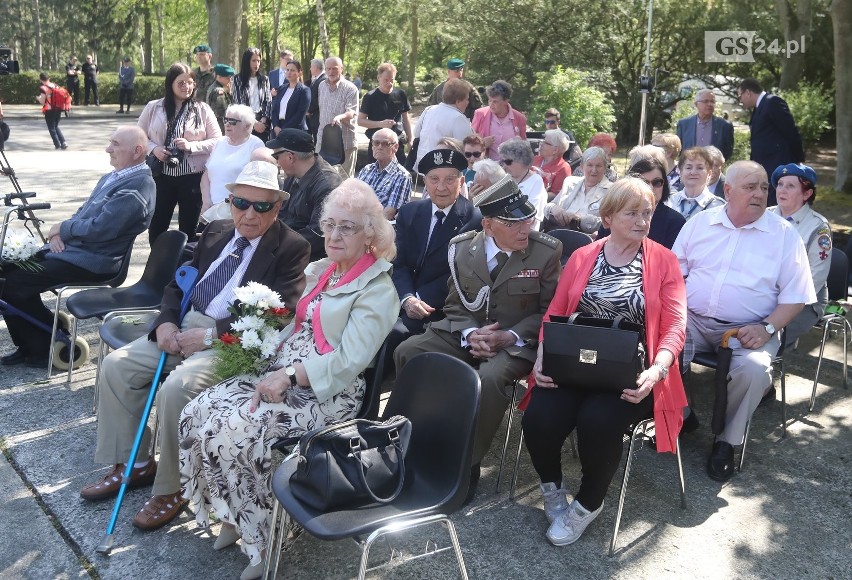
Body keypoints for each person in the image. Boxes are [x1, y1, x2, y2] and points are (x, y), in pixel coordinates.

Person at [179, 179, 398, 580]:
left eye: (347, 227)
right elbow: (297, 327)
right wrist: (259, 345)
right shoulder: (324, 270)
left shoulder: (378, 290)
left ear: (371, 233)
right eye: (329, 224)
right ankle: (233, 511)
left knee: (239, 430)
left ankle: (264, 540)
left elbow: (350, 361)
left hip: (327, 391)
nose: (333, 235)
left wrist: (291, 376)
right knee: (199, 410)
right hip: (282, 369)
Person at [79, 161, 311, 532]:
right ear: (230, 201)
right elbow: (178, 283)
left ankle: (173, 488)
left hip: (229, 339)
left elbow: (278, 313)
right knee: (116, 366)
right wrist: (167, 321)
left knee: (177, 388)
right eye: (241, 202)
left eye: (261, 206)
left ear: (278, 207)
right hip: (183, 323)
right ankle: (135, 464)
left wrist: (207, 336)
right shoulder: (217, 229)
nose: (249, 214)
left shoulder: (293, 247)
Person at [520, 177, 687, 546]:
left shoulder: (664, 260)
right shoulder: (583, 256)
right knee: (539, 418)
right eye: (632, 213)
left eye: (647, 213)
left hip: (630, 372)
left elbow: (676, 325)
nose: (643, 221)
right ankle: (551, 489)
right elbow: (556, 312)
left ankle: (587, 504)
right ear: (608, 217)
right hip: (575, 364)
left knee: (597, 421)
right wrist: (543, 355)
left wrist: (657, 369)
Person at [394, 175, 562, 498]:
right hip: (467, 333)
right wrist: (471, 333)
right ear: (487, 224)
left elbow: (550, 311)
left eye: (526, 219)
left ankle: (466, 462)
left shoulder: (545, 252)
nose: (524, 229)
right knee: (408, 351)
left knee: (491, 376)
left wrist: (509, 336)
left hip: (515, 342)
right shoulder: (462, 249)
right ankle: (413, 437)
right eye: (513, 223)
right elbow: (455, 305)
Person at [672, 160, 815, 482]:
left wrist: (766, 328)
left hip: (748, 329)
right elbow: (674, 274)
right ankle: (682, 415)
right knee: (657, 345)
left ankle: (726, 442)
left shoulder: (783, 235)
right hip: (692, 318)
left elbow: (796, 296)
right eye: (751, 187)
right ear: (728, 190)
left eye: (764, 187)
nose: (760, 193)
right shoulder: (700, 224)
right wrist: (674, 314)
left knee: (753, 370)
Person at [0, 126, 155, 367]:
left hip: (96, 261)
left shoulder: (138, 186)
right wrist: (58, 233)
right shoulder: (115, 176)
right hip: (77, 252)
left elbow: (102, 229)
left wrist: (63, 229)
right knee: (6, 271)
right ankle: (34, 342)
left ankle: (41, 348)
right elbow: (83, 213)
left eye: (115, 144)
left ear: (137, 151)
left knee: (14, 282)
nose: (108, 149)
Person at [388, 148, 482, 362]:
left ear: (461, 180)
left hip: (439, 307)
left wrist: (419, 301)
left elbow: (460, 274)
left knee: (393, 335)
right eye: (434, 179)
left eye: (450, 179)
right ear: (425, 181)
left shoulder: (474, 219)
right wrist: (407, 298)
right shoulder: (410, 212)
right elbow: (398, 262)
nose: (441, 187)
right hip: (402, 298)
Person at [138, 62, 222, 244]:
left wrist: (192, 146)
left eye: (190, 82)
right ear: (170, 84)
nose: (187, 87)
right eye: (181, 82)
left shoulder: (202, 109)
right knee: (157, 226)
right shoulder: (154, 107)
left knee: (189, 228)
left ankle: (185, 268)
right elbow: (138, 136)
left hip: (192, 177)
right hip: (161, 175)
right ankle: (159, 267)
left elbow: (217, 140)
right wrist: (155, 149)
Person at [768, 163, 832, 348]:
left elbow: (815, 278)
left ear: (807, 194)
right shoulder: (765, 216)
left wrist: (778, 301)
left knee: (761, 338)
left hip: (803, 301)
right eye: (780, 184)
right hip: (763, 291)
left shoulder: (818, 227)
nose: (782, 190)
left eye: (790, 186)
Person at [269, 128, 342, 260]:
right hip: (290, 244)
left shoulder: (327, 186)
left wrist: (275, 246)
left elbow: (316, 235)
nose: (277, 162)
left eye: (276, 156)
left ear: (291, 157)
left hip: (308, 257)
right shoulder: (293, 174)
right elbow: (282, 213)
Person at [738, 77, 805, 206]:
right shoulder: (759, 108)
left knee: (776, 203)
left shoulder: (772, 102)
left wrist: (798, 159)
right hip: (764, 165)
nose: (740, 100)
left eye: (740, 96)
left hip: (777, 164)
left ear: (748, 92)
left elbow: (790, 131)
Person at [599, 156, 685, 249]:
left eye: (657, 182)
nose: (650, 188)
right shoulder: (616, 213)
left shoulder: (675, 221)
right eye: (644, 182)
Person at [200, 104, 265, 219]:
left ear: (247, 125)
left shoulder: (256, 145)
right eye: (226, 120)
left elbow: (257, 183)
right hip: (211, 210)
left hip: (238, 211)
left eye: (233, 121)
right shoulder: (219, 142)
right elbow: (206, 174)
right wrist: (206, 201)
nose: (227, 124)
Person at [543, 147, 612, 234]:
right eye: (590, 165)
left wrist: (580, 220)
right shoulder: (570, 182)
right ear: (582, 166)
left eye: (598, 166)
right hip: (559, 233)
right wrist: (554, 208)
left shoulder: (612, 191)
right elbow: (547, 207)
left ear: (605, 168)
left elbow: (612, 223)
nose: (594, 170)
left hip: (588, 239)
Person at [412, 78, 474, 170]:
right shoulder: (458, 118)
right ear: (458, 102)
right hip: (442, 171)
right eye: (466, 99)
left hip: (422, 167)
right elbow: (467, 148)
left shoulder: (429, 110)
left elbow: (416, 133)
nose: (468, 102)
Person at [358, 62, 412, 165]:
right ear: (379, 78)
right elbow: (360, 121)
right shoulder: (370, 97)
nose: (389, 83)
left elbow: (406, 119)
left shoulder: (401, 94)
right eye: (386, 80)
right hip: (378, 145)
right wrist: (380, 124)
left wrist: (410, 139)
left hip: (397, 144)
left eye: (392, 80)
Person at [315, 56, 359, 176]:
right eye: (328, 69)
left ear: (341, 69)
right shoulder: (321, 86)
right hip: (323, 140)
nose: (331, 72)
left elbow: (351, 112)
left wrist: (340, 117)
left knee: (345, 180)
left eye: (334, 69)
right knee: (322, 177)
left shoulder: (351, 88)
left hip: (345, 142)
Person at [356, 128, 412, 219]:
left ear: (395, 147)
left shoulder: (402, 176)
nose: (379, 147)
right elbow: (353, 199)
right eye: (376, 143)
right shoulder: (366, 170)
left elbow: (389, 214)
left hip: (380, 228)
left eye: (385, 144)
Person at [472, 80, 527, 161]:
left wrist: (519, 143)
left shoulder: (520, 118)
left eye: (495, 101)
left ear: (506, 101)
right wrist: (482, 144)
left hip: (511, 167)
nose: (491, 104)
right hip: (486, 166)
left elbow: (524, 148)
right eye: (489, 100)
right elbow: (469, 143)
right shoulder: (480, 114)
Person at [665, 147, 725, 220]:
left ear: (709, 173)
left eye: (700, 168)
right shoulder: (669, 202)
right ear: (680, 172)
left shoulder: (717, 206)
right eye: (688, 168)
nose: (693, 172)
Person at [499, 138, 547, 230]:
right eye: (502, 161)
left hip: (525, 233)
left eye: (508, 162)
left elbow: (530, 217)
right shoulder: (504, 178)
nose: (504, 166)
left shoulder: (536, 181)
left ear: (522, 161)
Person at [676, 89, 734, 160]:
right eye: (706, 101)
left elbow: (728, 151)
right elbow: (678, 149)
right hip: (690, 168)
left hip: (713, 168)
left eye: (712, 101)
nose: (710, 104)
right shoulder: (684, 124)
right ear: (696, 104)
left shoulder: (725, 126)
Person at [231, 48, 272, 142]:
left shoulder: (264, 79)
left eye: (258, 61)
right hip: (244, 122)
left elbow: (268, 101)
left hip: (262, 123)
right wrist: (254, 122)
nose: (256, 64)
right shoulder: (237, 79)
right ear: (247, 61)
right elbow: (239, 103)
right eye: (253, 60)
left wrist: (263, 120)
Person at [270, 59, 310, 133]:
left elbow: (300, 114)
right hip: (278, 129)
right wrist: (276, 126)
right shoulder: (281, 88)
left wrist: (284, 130)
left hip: (295, 131)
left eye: (292, 70)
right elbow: (275, 110)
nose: (289, 72)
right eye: (287, 70)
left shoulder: (304, 90)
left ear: (300, 73)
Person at [532, 129, 572, 199]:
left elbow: (556, 195)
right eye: (542, 141)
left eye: (546, 142)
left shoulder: (563, 168)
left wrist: (533, 195)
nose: (541, 144)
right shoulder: (535, 159)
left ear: (555, 150)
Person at [36, 73, 67, 150]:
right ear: (49, 78)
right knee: (55, 126)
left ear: (41, 80)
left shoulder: (43, 88)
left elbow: (42, 101)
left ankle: (57, 145)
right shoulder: (55, 85)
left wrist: (38, 98)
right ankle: (63, 142)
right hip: (58, 108)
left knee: (51, 128)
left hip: (49, 110)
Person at [206, 64, 235, 133]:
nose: (230, 80)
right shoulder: (218, 92)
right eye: (227, 78)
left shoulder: (217, 87)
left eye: (231, 78)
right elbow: (221, 115)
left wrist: (229, 93)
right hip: (221, 129)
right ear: (219, 77)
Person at [306, 58, 326, 137]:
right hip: (314, 117)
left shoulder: (323, 80)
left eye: (311, 66)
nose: (310, 69)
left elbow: (318, 98)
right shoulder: (318, 79)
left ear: (315, 67)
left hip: (318, 117)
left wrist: (308, 110)